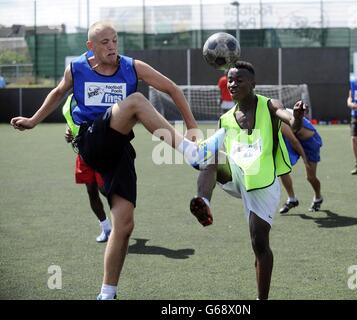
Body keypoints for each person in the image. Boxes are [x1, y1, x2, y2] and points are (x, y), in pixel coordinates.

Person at [10, 21, 226, 300]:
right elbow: (58, 93)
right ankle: (191, 153)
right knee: (136, 101)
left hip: (119, 149)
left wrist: (194, 128)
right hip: (90, 140)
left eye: (114, 40)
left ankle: (106, 293)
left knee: (124, 225)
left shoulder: (132, 67)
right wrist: (33, 120)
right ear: (90, 46)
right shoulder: (76, 69)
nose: (112, 46)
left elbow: (172, 88)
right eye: (104, 42)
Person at [189, 61, 305, 300]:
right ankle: (204, 203)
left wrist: (297, 117)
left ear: (253, 84)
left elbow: (290, 120)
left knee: (259, 243)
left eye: (239, 80)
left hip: (262, 182)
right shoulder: (225, 119)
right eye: (230, 80)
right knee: (213, 157)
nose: (233, 84)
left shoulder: (269, 104)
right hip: (236, 176)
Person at [63, 93, 111, 242]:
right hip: (83, 154)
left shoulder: (95, 91)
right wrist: (68, 132)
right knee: (91, 191)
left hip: (101, 151)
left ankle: (122, 221)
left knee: (105, 190)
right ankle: (106, 228)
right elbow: (72, 119)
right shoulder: (71, 100)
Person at [278, 110, 323, 213]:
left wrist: (305, 159)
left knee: (311, 177)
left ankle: (318, 197)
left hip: (309, 142)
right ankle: (292, 199)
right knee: (282, 169)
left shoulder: (279, 118)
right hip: (292, 139)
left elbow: (294, 142)